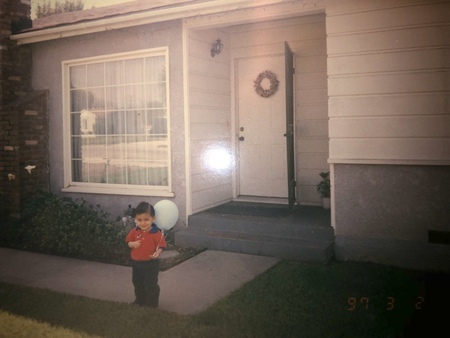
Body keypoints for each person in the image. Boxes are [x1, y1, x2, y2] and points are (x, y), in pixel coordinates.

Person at [125, 201, 167, 308]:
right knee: (137, 283)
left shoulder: (156, 233)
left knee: (150, 284)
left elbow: (161, 246)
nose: (143, 223)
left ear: (153, 219)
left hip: (151, 264)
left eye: (146, 220)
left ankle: (152, 304)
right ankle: (140, 300)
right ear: (136, 220)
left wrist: (158, 252)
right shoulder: (134, 231)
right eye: (139, 220)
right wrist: (132, 244)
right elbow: (128, 242)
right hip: (136, 263)